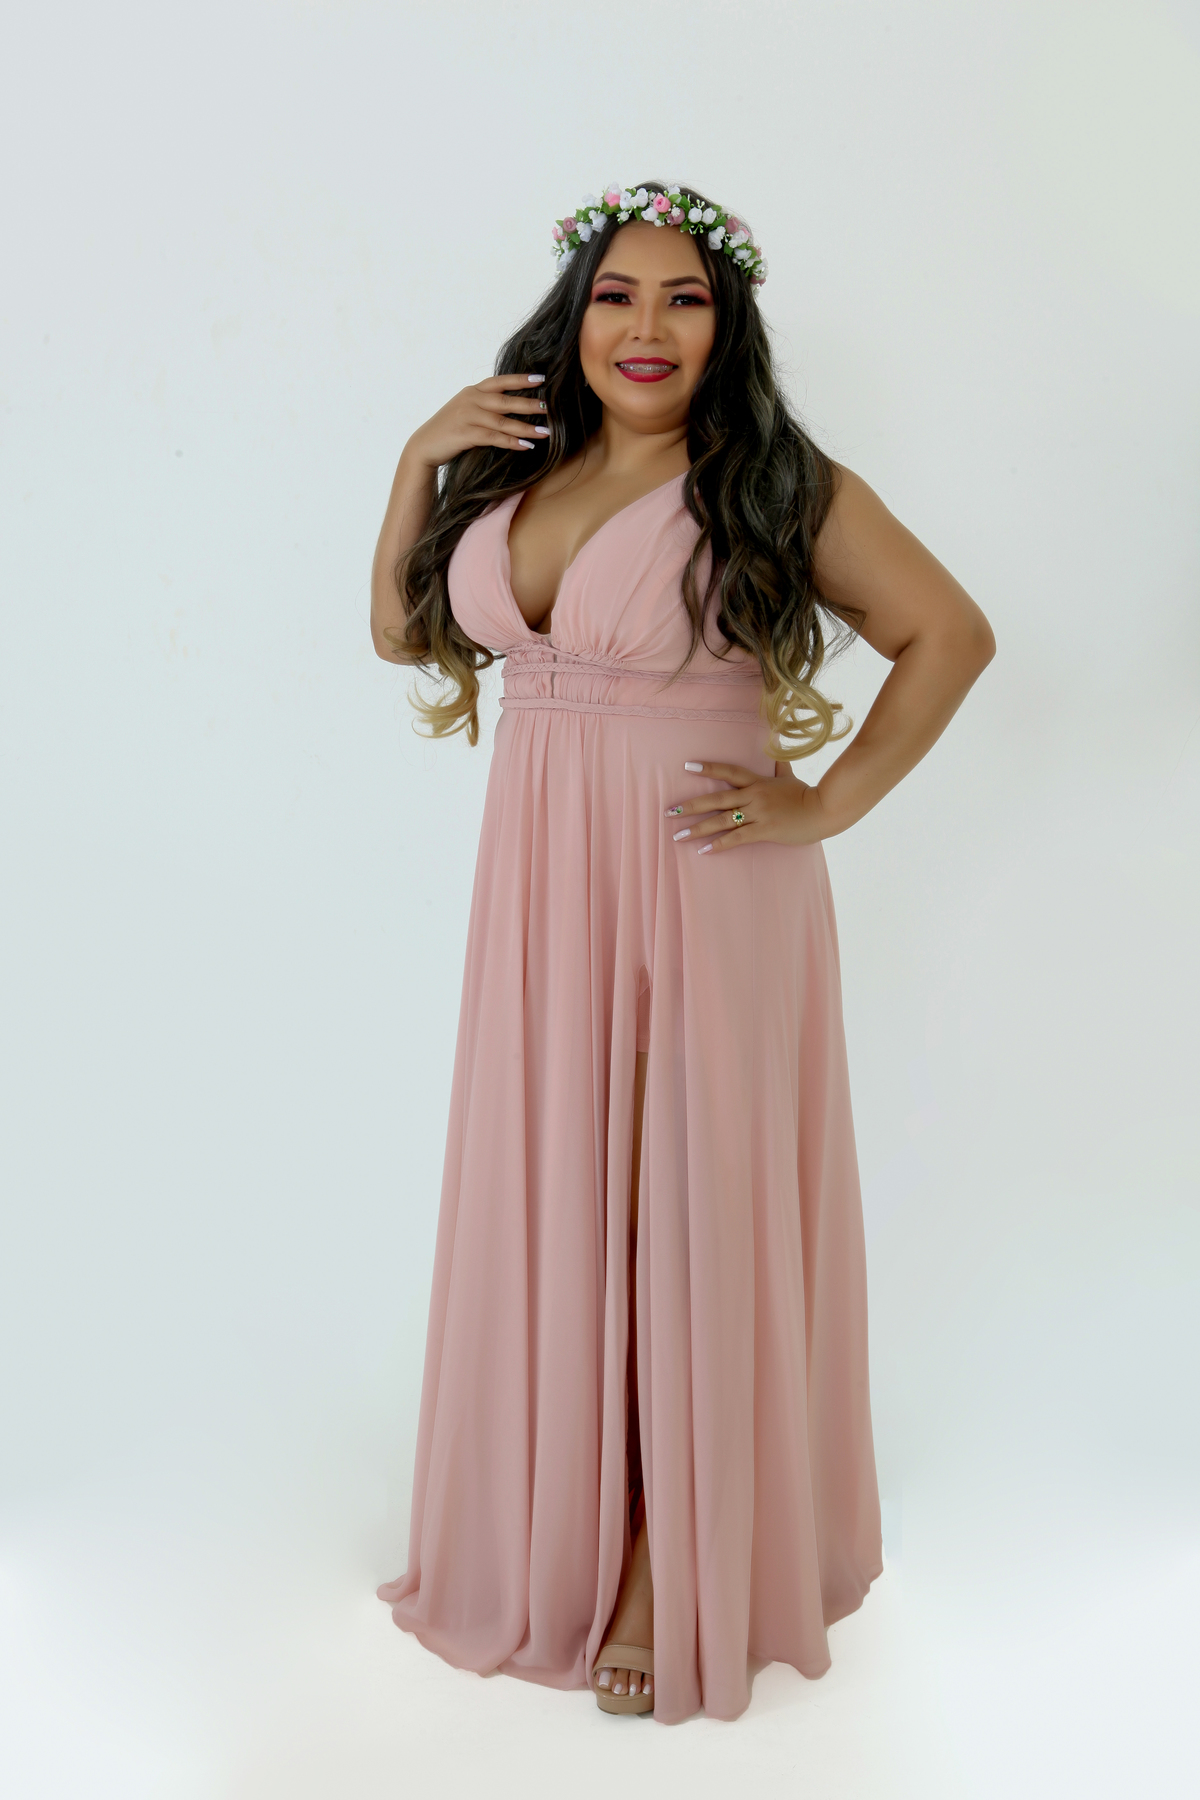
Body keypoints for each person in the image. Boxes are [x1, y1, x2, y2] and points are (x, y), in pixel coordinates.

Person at [369, 181, 995, 1724]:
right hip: (542, 893)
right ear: (574, 317)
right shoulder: (514, 475)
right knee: (571, 1199)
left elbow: (950, 631)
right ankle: (570, 1522)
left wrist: (829, 800)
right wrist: (414, 463)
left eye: (685, 298)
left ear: (728, 329)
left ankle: (663, 1552)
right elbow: (401, 633)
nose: (647, 327)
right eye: (618, 295)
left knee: (672, 1213)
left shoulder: (768, 483)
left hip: (699, 885)